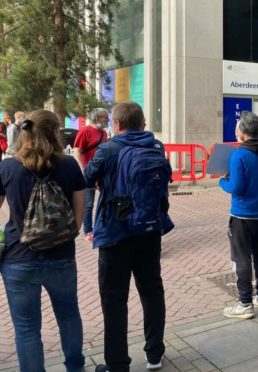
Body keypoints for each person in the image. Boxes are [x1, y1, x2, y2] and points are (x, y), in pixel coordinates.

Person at [84, 102, 174, 372]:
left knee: (114, 299)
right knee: (152, 291)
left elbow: (87, 177)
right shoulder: (156, 147)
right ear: (142, 123)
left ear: (118, 125)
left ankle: (117, 363)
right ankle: (155, 354)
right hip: (149, 230)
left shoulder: (109, 149)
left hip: (115, 233)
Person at [0, 110, 86, 372]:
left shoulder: (7, 167)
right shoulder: (69, 165)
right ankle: (75, 367)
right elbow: (79, 217)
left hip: (18, 258)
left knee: (26, 328)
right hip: (60, 257)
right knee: (69, 315)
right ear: (55, 132)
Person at [219, 111, 258, 319]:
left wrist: (222, 181)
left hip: (242, 215)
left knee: (242, 258)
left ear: (243, 132)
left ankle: (244, 303)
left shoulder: (239, 155)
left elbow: (236, 187)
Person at [73, 108, 109, 242]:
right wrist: (82, 170)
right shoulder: (85, 131)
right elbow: (77, 151)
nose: (107, 120)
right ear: (97, 118)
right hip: (88, 172)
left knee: (105, 200)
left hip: (102, 173)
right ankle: (88, 230)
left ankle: (101, 226)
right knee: (88, 204)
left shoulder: (104, 133)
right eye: (105, 117)